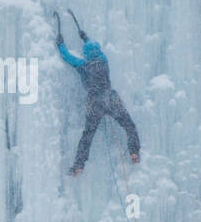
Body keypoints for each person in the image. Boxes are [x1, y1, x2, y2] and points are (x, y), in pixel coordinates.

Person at [55, 12, 140, 176]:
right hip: (111, 99)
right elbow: (92, 47)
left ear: (86, 54)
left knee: (87, 136)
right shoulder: (104, 60)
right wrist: (85, 37)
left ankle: (78, 166)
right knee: (129, 125)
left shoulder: (83, 65)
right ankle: (134, 152)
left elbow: (67, 57)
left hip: (95, 103)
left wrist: (60, 44)